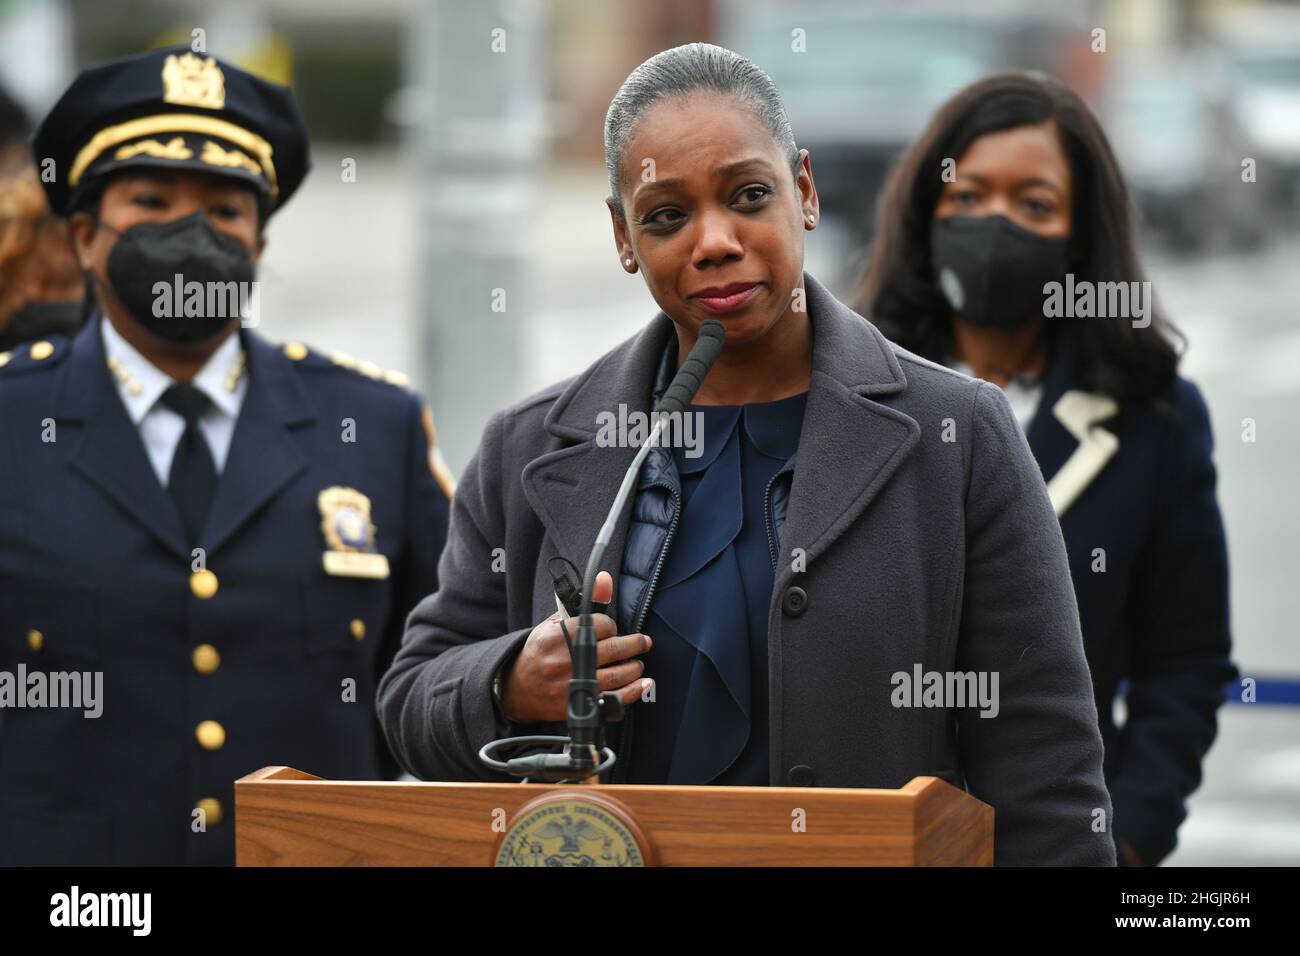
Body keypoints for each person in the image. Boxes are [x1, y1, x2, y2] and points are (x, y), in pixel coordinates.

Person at [379, 44, 1115, 866]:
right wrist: (509, 679)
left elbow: (1045, 765)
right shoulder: (528, 444)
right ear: (623, 236)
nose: (715, 241)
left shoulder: (960, 433)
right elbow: (409, 702)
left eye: (749, 195)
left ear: (803, 191)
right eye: (666, 216)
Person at [0, 46, 451, 865]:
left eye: (225, 209)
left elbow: (432, 680)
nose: (191, 231)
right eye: (151, 199)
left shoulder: (374, 425)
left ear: (259, 244)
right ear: (84, 238)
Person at [856, 72, 1237, 866]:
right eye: (969, 196)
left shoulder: (1155, 416)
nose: (995, 224)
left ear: (1081, 235)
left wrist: (1126, 838)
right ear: (927, 209)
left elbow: (1185, 665)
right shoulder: (842, 389)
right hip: (870, 836)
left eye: (1034, 204)